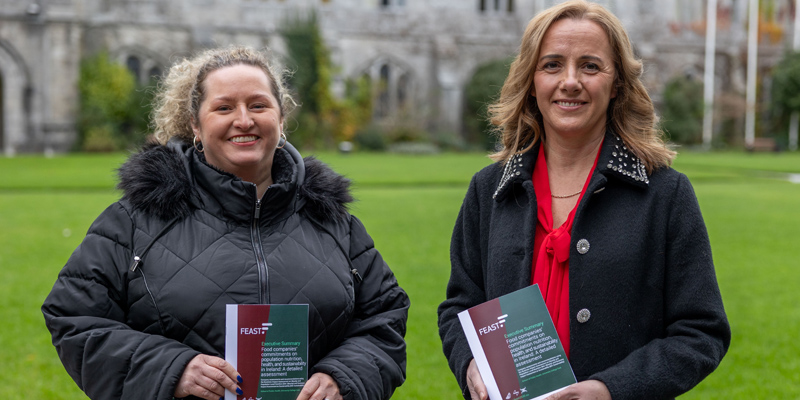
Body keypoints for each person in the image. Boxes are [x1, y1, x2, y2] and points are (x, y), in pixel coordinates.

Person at [42, 46, 409, 400]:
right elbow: (74, 316)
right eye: (224, 107)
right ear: (195, 126)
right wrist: (172, 369)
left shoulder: (330, 219)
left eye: (258, 105)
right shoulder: (136, 220)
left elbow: (384, 317)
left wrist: (342, 376)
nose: (244, 120)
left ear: (281, 120)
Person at [437, 1, 730, 400]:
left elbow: (701, 331)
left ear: (617, 86)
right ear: (531, 80)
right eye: (552, 65)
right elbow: (459, 307)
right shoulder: (488, 191)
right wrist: (471, 364)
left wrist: (610, 390)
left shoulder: (664, 194)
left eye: (590, 66)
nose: (570, 81)